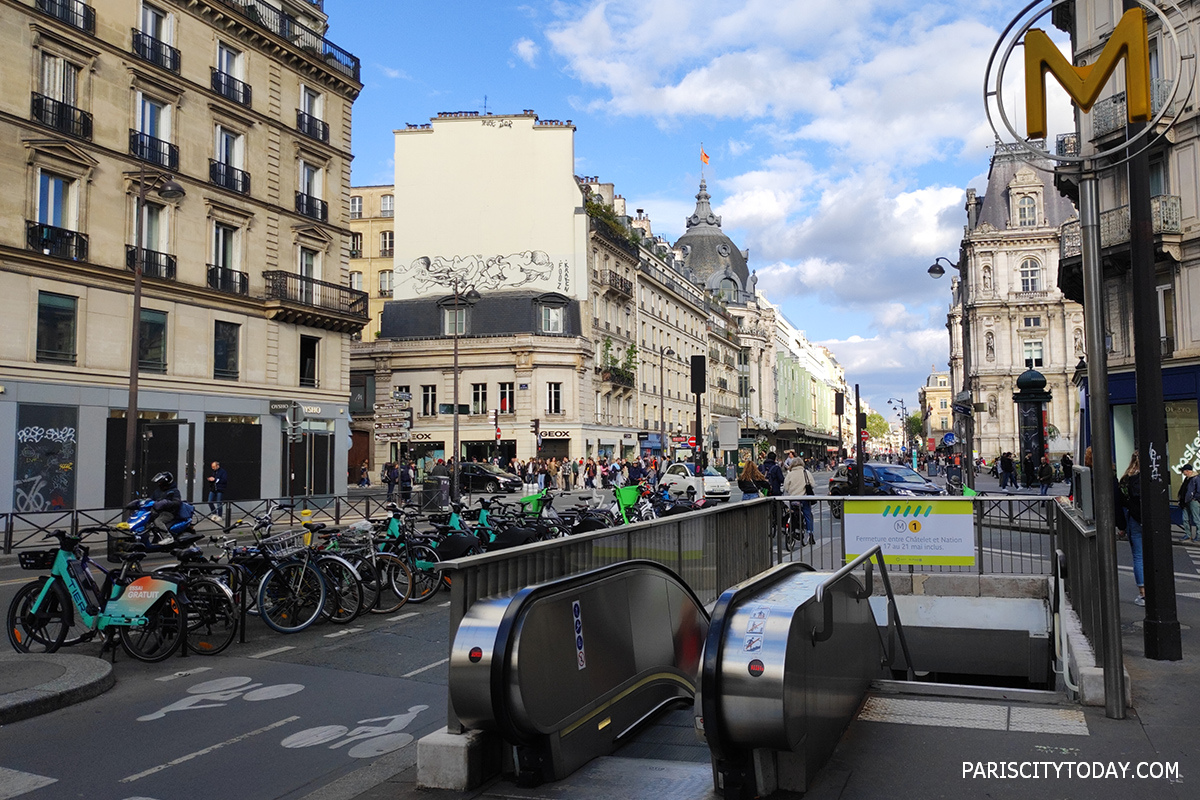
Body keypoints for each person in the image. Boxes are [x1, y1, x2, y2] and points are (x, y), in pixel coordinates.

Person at [1118, 452, 1146, 606]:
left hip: (1133, 520)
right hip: (1150, 520)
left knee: (1138, 556)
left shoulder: (1125, 479)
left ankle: (1142, 593)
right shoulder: (1150, 477)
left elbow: (1122, 504)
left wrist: (1122, 526)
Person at [783, 455, 816, 545]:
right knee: (808, 515)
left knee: (792, 513)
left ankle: (792, 528)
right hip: (804, 498)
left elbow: (786, 487)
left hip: (793, 499)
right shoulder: (806, 473)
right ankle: (810, 534)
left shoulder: (789, 474)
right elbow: (812, 484)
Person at [1179, 464, 1199, 542]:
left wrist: (1195, 498)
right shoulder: (1187, 479)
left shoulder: (1195, 478)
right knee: (1185, 519)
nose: (1183, 473)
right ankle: (1188, 535)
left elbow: (1199, 490)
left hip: (1193, 501)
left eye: (1184, 471)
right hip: (1186, 501)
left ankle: (1198, 535)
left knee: (1196, 519)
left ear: (1188, 471)